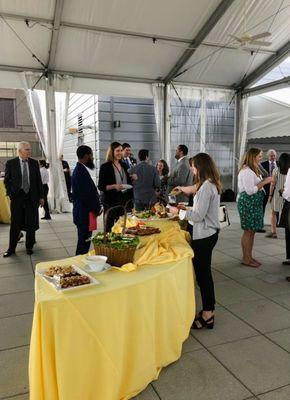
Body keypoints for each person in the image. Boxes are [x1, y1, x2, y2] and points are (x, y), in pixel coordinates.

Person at [169, 153, 221, 330]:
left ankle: (208, 314)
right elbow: (200, 209)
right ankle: (208, 310)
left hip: (204, 236)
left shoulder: (207, 187)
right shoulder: (208, 184)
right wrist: (187, 207)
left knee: (203, 275)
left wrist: (178, 212)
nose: (192, 169)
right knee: (203, 274)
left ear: (200, 167)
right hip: (207, 233)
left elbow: (198, 216)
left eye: (193, 166)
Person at [3, 141, 44, 257]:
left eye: (30, 149)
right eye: (27, 150)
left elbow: (38, 181)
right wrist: (11, 193)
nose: (30, 151)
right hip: (17, 197)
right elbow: (7, 180)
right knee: (15, 224)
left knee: (31, 223)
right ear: (20, 151)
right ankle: (11, 248)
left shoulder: (34, 163)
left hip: (32, 197)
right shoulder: (11, 163)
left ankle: (29, 246)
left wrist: (41, 197)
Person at [237, 148, 273, 268]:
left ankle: (249, 256)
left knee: (252, 232)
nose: (261, 158)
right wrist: (264, 182)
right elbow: (249, 191)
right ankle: (246, 259)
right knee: (248, 231)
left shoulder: (253, 168)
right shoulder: (247, 171)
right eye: (259, 156)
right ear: (252, 157)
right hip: (248, 203)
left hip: (253, 203)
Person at [72, 145, 102, 255]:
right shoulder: (80, 172)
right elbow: (86, 196)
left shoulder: (81, 169)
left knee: (85, 241)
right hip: (84, 214)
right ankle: (78, 265)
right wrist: (97, 208)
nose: (93, 158)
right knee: (83, 243)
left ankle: (80, 263)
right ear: (86, 156)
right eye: (91, 155)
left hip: (84, 212)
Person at [98, 142, 133, 231]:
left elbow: (127, 181)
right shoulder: (105, 167)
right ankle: (108, 244)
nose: (120, 153)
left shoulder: (124, 165)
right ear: (112, 152)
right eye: (117, 150)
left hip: (124, 201)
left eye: (121, 150)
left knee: (122, 227)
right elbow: (101, 186)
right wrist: (114, 186)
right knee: (109, 228)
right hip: (110, 202)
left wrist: (133, 178)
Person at [267, 153, 290, 239]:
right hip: (287, 195)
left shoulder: (276, 170)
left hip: (277, 195)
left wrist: (270, 195)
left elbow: (272, 185)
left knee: (273, 213)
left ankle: (274, 232)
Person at [260, 149, 277, 232]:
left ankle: (275, 223)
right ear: (268, 156)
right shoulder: (263, 164)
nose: (273, 157)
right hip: (266, 188)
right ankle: (260, 223)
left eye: (274, 155)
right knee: (262, 205)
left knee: (276, 207)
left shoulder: (279, 165)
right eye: (271, 156)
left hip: (276, 188)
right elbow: (260, 177)